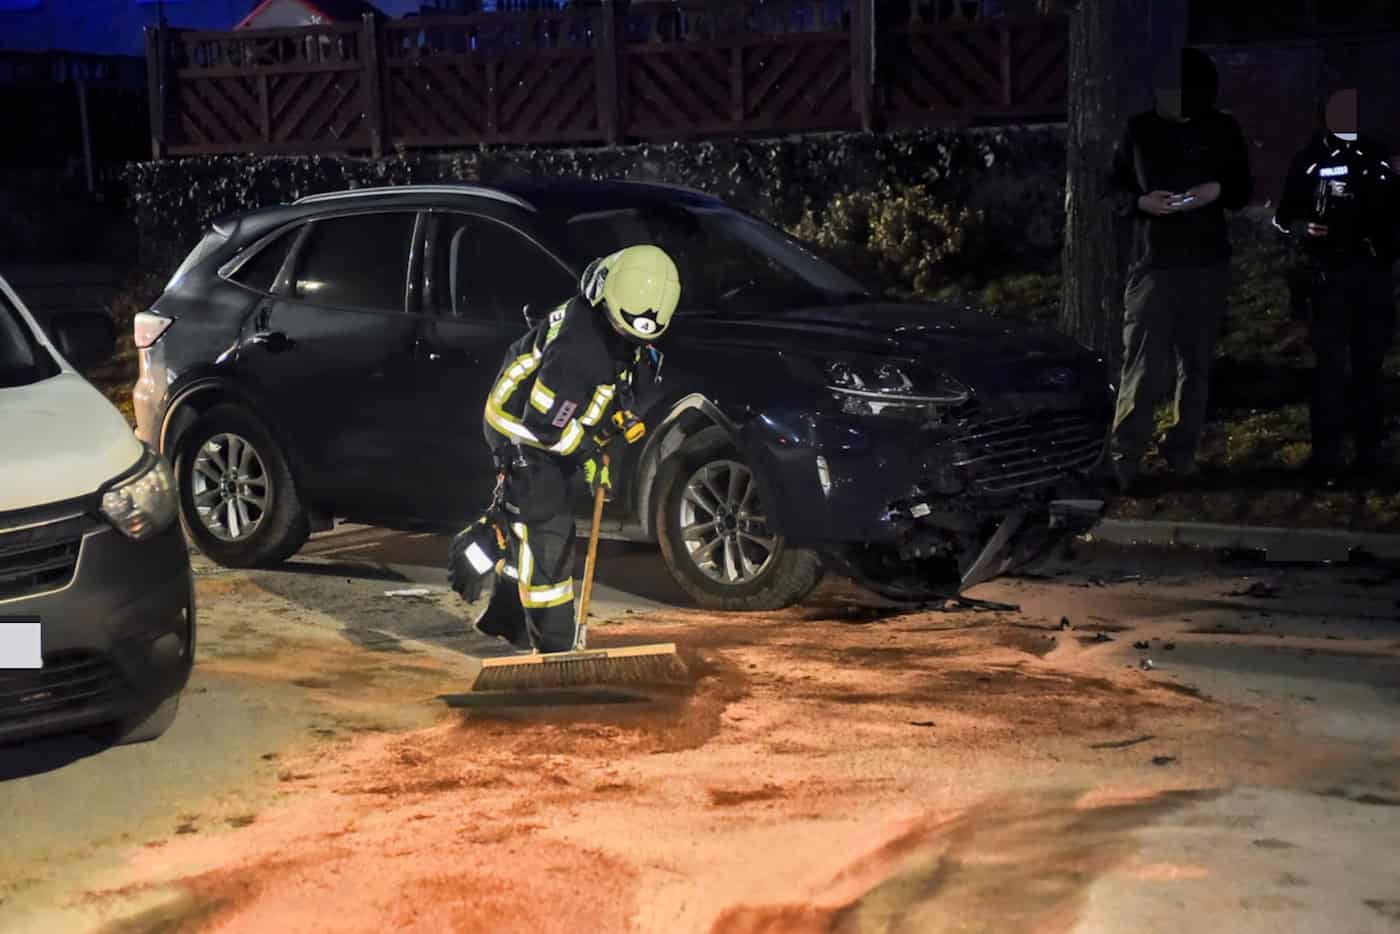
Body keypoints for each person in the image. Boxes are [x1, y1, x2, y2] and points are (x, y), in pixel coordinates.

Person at [451, 244, 681, 654]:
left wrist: (614, 418)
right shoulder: (580, 352)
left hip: (548, 420)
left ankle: (504, 619)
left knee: (530, 524)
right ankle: (554, 646)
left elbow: (604, 383)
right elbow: (544, 424)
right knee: (548, 535)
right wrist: (588, 454)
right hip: (521, 428)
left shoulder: (611, 315)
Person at [1104, 47, 1254, 493]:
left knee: (1196, 366)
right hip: (1155, 262)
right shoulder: (1140, 130)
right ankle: (1124, 459)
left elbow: (1241, 190)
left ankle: (1181, 451)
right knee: (1144, 368)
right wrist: (1139, 203)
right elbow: (1111, 186)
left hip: (1207, 262)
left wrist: (1216, 190)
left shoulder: (1222, 129)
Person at [1273, 88, 1398, 490]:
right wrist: (1302, 228)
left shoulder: (1380, 156)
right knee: (1329, 369)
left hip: (1373, 273)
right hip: (1327, 275)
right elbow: (1283, 215)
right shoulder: (1309, 160)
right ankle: (1326, 455)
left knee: (1369, 366)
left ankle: (1369, 453)